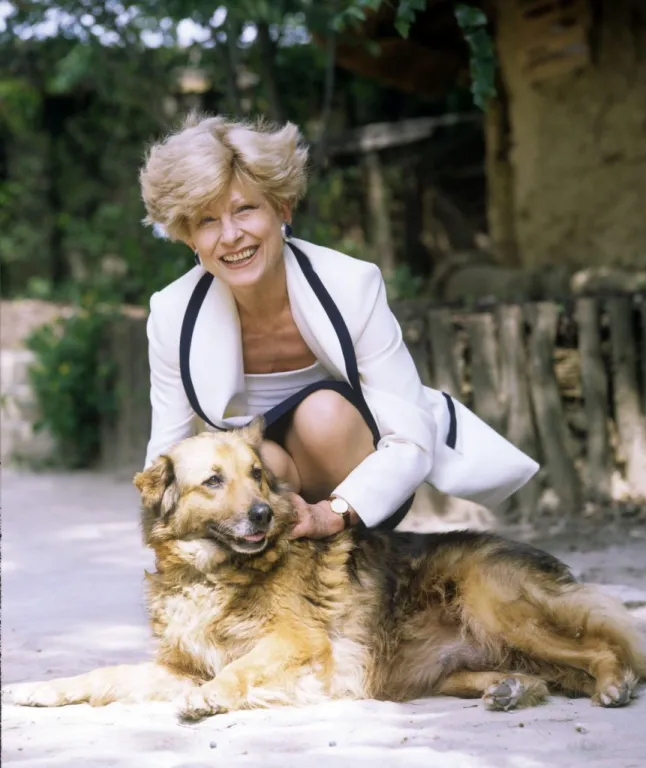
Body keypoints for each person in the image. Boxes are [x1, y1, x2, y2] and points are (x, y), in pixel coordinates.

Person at [140, 112, 538, 540]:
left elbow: (410, 437)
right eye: (207, 220)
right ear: (188, 236)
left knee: (323, 414)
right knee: (253, 458)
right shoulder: (172, 312)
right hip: (255, 493)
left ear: (282, 208)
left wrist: (333, 512)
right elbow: (168, 455)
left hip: (359, 476)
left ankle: (349, 551)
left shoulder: (351, 284)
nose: (231, 235)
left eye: (245, 209)